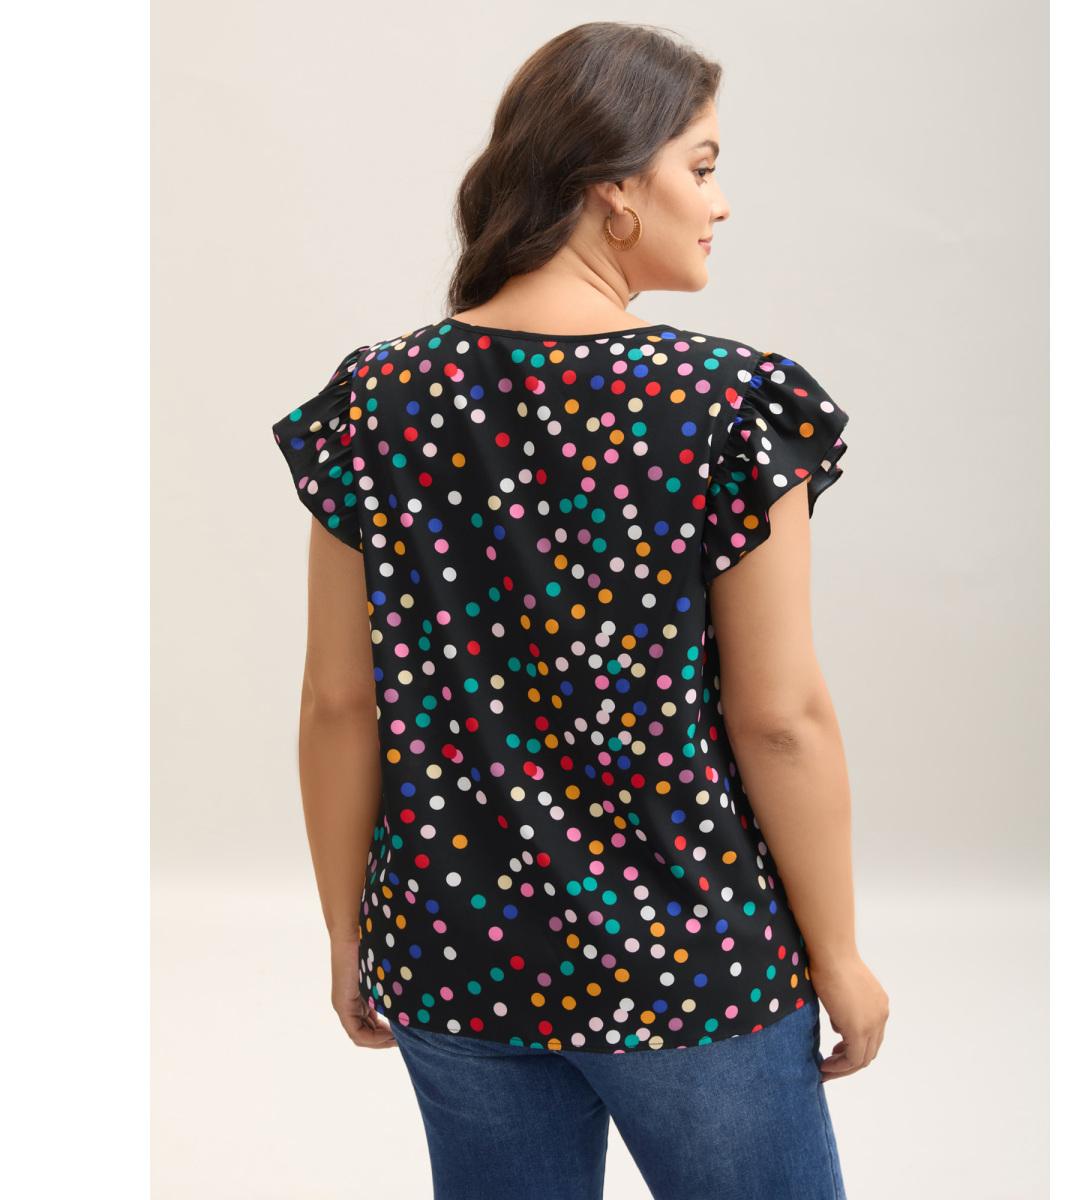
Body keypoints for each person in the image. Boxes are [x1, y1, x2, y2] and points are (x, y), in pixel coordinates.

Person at [269, 20, 887, 1200]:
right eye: (701, 166)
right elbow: (779, 720)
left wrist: (349, 932)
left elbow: (339, 701)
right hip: (687, 965)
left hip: (455, 955)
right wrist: (841, 955)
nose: (720, 201)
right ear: (614, 186)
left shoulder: (379, 400)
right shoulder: (724, 406)